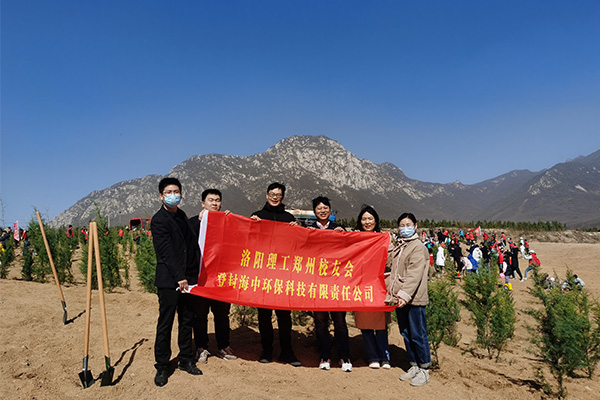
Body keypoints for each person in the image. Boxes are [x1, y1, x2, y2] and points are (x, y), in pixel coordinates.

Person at [151, 177, 203, 387]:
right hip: (170, 280)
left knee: (186, 320)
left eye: (176, 191)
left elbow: (190, 243)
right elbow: (165, 252)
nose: (173, 195)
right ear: (161, 196)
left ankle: (185, 359)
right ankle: (162, 366)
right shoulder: (159, 220)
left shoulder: (182, 216)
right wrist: (179, 277)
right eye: (169, 192)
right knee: (165, 323)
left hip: (187, 280)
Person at [250, 182, 301, 366]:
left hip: (283, 274)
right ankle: (267, 350)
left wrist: (297, 231)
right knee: (264, 315)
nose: (274, 197)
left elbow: (297, 246)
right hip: (263, 274)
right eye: (272, 193)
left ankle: (287, 351)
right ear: (266, 195)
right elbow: (248, 241)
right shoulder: (257, 217)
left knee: (284, 316)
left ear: (283, 197)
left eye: (278, 194)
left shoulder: (289, 219)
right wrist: (251, 226)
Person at [188, 189, 236, 363]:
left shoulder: (226, 222)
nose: (214, 203)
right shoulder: (193, 223)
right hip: (201, 278)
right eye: (211, 200)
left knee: (222, 314)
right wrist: (200, 223)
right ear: (203, 203)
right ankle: (202, 347)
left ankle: (223, 346)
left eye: (217, 200)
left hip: (221, 279)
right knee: (199, 315)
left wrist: (233, 221)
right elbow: (187, 244)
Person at [306, 196, 352, 372]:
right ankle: (324, 355)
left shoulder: (338, 229)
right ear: (314, 212)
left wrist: (344, 236)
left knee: (340, 321)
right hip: (317, 283)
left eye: (326, 207)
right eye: (319, 208)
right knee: (320, 322)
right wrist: (297, 231)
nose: (322, 210)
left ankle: (344, 355)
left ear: (330, 210)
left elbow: (351, 250)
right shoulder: (308, 230)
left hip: (336, 283)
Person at [386, 212, 431, 387]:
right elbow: (392, 265)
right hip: (400, 299)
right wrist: (389, 245)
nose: (405, 228)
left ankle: (424, 369)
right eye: (402, 225)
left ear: (416, 226)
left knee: (418, 334)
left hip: (414, 299)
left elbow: (414, 274)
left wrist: (405, 295)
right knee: (406, 333)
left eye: (408, 225)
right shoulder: (401, 246)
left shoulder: (417, 247)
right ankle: (413, 365)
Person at [353, 206, 391, 369]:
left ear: (376, 220)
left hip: (378, 285)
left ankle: (385, 357)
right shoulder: (355, 238)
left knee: (381, 325)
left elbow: (390, 261)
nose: (367, 222)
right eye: (364, 219)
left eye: (370, 218)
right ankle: (372, 357)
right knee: (365, 325)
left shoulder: (384, 238)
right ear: (359, 221)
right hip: (361, 286)